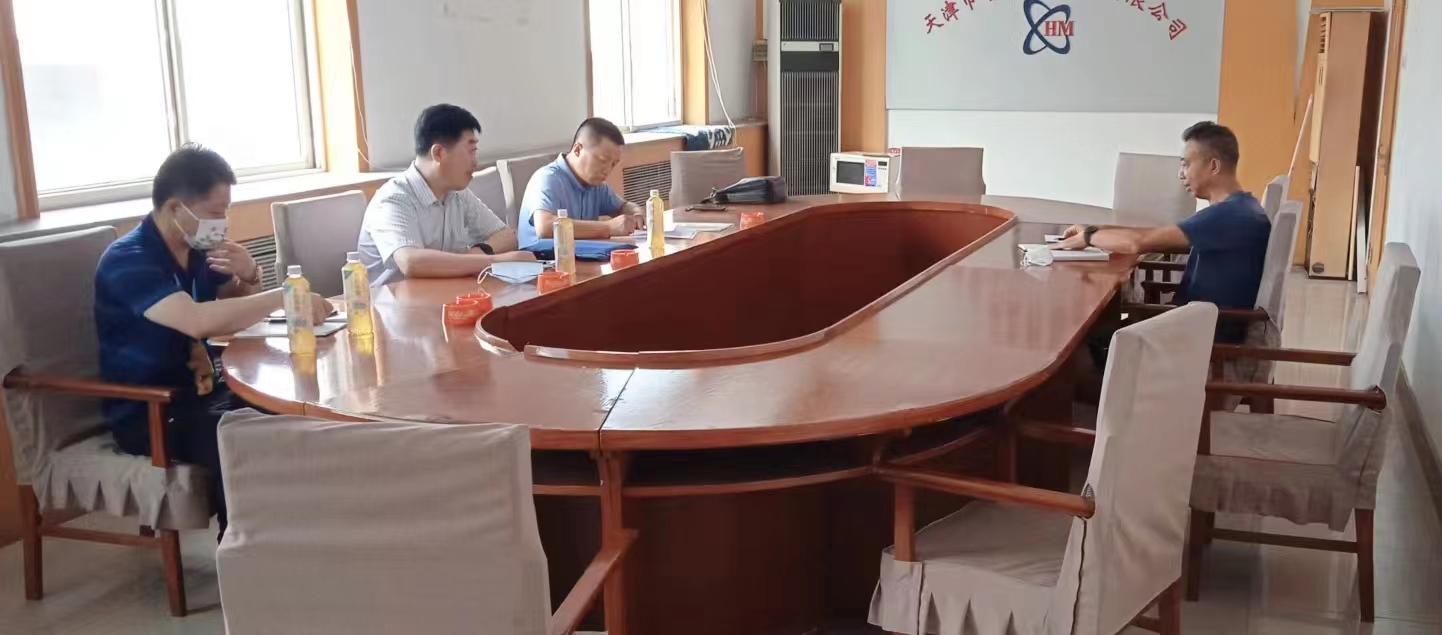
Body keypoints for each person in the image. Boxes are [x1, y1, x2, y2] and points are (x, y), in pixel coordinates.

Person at [96, 145, 332, 533]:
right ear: (175, 208)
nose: (222, 222)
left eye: (226, 211)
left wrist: (250, 273)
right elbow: (197, 322)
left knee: (293, 417)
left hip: (205, 390)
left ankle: (297, 537)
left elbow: (234, 304)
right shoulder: (129, 259)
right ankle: (240, 547)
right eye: (214, 212)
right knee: (243, 441)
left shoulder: (199, 249)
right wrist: (286, 294)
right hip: (152, 410)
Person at [1052, 121, 1271, 343]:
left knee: (1078, 336)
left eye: (1186, 164)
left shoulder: (1228, 215)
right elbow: (1154, 234)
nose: (1181, 174)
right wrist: (1094, 231)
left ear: (1213, 166)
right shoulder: (1241, 208)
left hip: (1196, 337)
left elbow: (1139, 243)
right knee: (1095, 328)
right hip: (1192, 323)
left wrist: (1088, 238)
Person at [357, 104, 534, 286]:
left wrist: (473, 256)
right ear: (439, 153)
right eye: (471, 151)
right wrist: (496, 261)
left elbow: (506, 236)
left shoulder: (457, 194)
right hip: (393, 301)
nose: (475, 162)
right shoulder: (393, 199)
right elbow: (411, 262)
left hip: (445, 294)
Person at [517, 117, 645, 249]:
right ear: (577, 150)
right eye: (602, 160)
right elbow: (545, 227)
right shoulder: (547, 178)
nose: (607, 170)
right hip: (543, 258)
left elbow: (623, 206)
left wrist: (636, 213)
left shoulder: (596, 186)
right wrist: (608, 227)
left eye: (613, 164)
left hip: (581, 255)